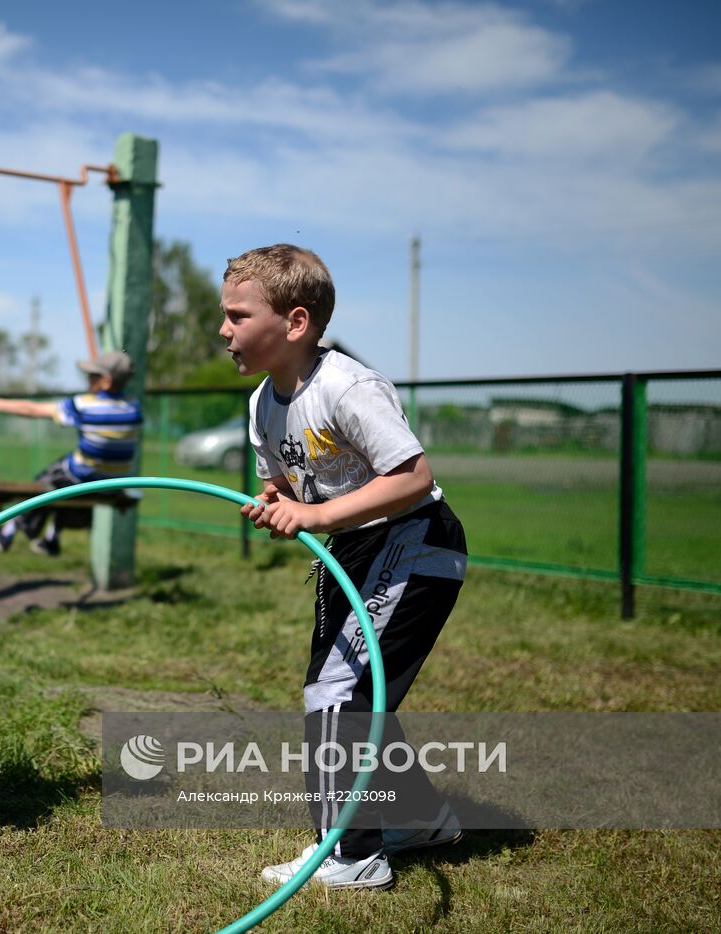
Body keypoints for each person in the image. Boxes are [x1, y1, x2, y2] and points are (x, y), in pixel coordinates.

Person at [220, 244, 467, 890]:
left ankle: (353, 856)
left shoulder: (345, 386)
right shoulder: (261, 406)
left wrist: (316, 519)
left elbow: (413, 477)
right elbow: (289, 492)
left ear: (295, 323)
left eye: (238, 316)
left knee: (335, 694)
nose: (224, 331)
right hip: (352, 554)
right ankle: (418, 819)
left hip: (415, 542)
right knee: (351, 695)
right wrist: (279, 506)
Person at [0, 349, 142, 556]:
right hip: (113, 484)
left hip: (84, 478)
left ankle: (9, 530)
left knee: (47, 482)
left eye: (92, 376)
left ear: (105, 382)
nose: (88, 379)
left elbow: (32, 410)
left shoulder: (85, 405)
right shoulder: (134, 407)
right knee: (67, 486)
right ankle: (52, 536)